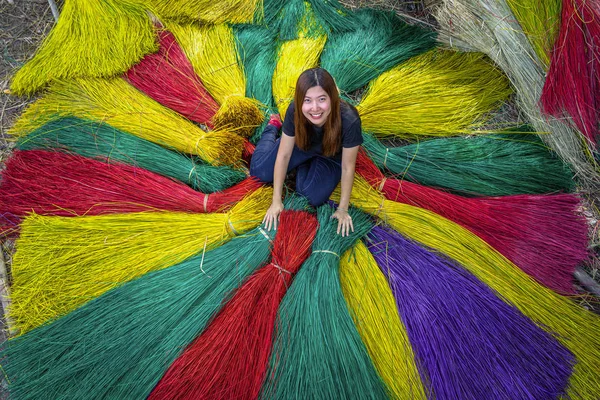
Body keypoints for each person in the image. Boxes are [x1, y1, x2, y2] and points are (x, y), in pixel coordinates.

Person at [250, 67, 362, 236]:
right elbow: (284, 155)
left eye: (322, 99)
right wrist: (276, 201)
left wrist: (343, 209)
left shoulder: (349, 120)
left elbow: (347, 167)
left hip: (330, 156)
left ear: (332, 97)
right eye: (307, 100)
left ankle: (300, 166)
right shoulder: (294, 110)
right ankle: (272, 127)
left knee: (310, 197)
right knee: (259, 172)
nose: (315, 108)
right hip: (300, 145)